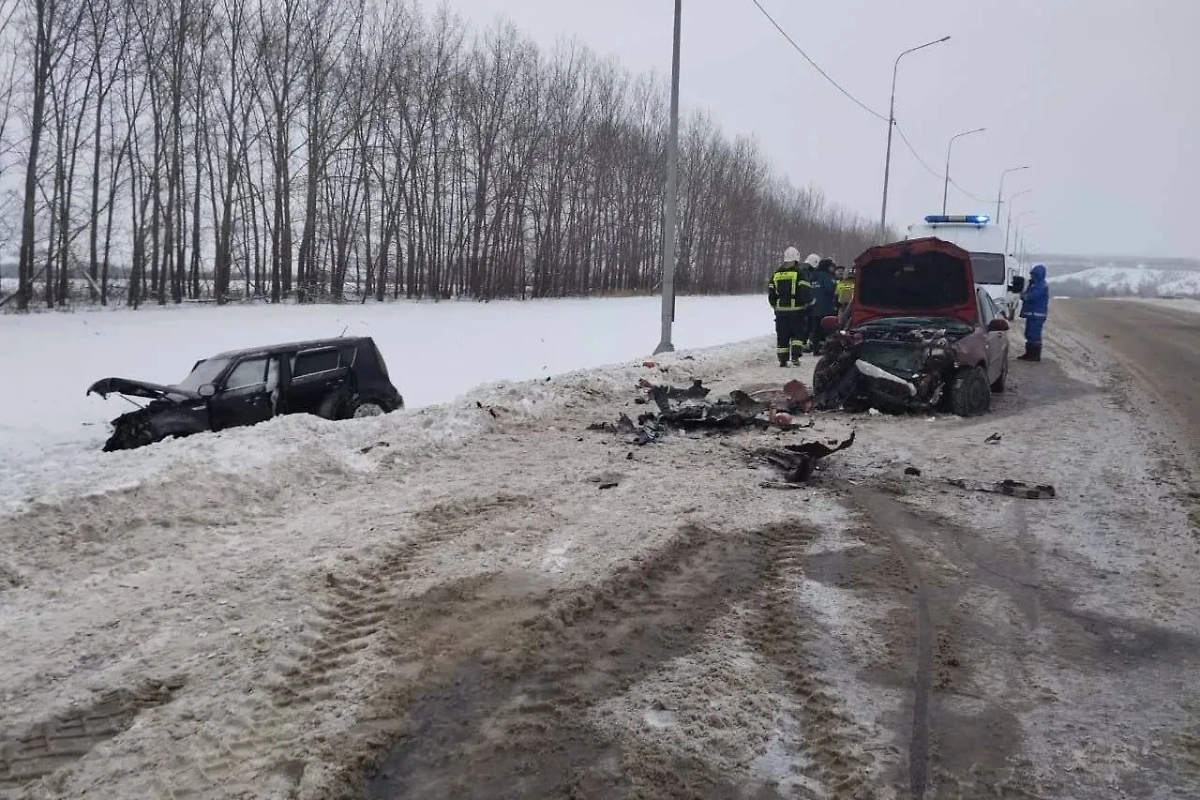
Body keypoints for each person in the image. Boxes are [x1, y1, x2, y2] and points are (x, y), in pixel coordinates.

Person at [768, 247, 814, 366]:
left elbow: (771, 292)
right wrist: (809, 301)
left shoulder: (776, 273)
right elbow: (805, 291)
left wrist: (775, 305)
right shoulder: (799, 273)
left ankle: (783, 360)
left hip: (780, 312)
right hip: (797, 311)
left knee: (782, 335)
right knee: (797, 335)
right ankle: (795, 356)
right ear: (796, 258)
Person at [1018, 264, 1049, 361]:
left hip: (1037, 314)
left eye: (1033, 274)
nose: (1031, 276)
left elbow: (1032, 296)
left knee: (1034, 335)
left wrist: (1024, 295)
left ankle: (1034, 355)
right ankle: (1029, 353)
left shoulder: (1040, 285)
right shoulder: (1035, 284)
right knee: (1029, 334)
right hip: (1033, 314)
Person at [808, 257, 838, 353]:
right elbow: (830, 289)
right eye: (831, 267)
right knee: (826, 329)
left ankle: (815, 348)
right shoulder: (827, 276)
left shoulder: (812, 275)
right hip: (826, 307)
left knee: (815, 329)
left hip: (814, 307)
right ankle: (826, 348)